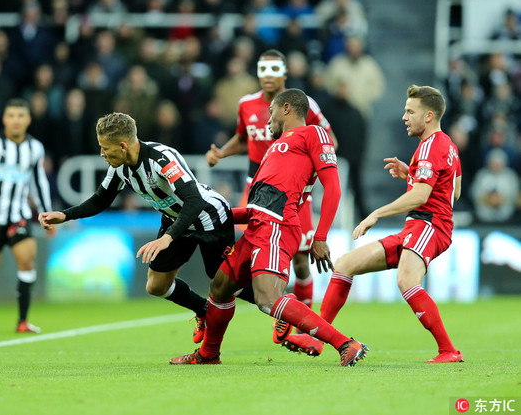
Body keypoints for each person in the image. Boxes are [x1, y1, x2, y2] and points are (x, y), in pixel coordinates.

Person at [170, 89, 368, 366]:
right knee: (219, 286)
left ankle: (346, 344)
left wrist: (320, 236)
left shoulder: (314, 133)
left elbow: (333, 187)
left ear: (287, 108)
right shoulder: (276, 147)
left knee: (267, 298)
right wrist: (217, 212)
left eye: (271, 112)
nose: (267, 120)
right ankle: (208, 354)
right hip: (256, 226)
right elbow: (257, 206)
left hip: (277, 227)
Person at [38, 112, 254, 344]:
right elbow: (100, 200)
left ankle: (278, 305)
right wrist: (65, 215)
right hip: (176, 219)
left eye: (104, 147)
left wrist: (168, 238)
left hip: (208, 218)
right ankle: (202, 309)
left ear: (122, 145)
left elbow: (194, 200)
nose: (102, 153)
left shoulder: (162, 159)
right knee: (157, 285)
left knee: (225, 285)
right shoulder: (119, 166)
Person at [307, 85, 464, 363]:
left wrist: (376, 214)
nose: (404, 117)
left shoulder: (432, 146)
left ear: (428, 116)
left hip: (430, 225)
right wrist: (411, 172)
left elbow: (421, 195)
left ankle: (448, 351)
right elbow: (455, 189)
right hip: (417, 228)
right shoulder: (446, 146)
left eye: (410, 111)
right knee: (345, 264)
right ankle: (318, 338)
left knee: (406, 281)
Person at [205, 49, 337, 347]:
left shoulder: (306, 105)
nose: (268, 74)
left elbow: (329, 139)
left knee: (301, 260)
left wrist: (313, 172)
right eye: (263, 68)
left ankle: (290, 316)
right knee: (239, 247)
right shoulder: (246, 105)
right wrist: (222, 153)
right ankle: (272, 301)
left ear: (284, 73)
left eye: (274, 68)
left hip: (293, 194)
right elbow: (242, 138)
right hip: (256, 186)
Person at [0, 98, 56, 334]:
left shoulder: (35, 148)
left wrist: (47, 214)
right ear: (4, 119)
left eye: (20, 116)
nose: (16, 120)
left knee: (27, 260)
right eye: (11, 116)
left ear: (28, 120)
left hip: (19, 216)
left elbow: (39, 182)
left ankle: (22, 321)